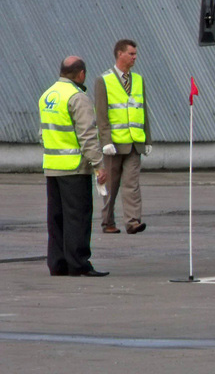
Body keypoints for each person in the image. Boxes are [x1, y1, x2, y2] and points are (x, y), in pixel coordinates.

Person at [39, 56, 109, 277]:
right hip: (74, 169)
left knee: (56, 218)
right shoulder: (77, 97)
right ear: (81, 75)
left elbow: (42, 134)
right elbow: (87, 136)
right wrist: (98, 165)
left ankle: (58, 264)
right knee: (77, 217)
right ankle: (78, 263)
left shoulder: (47, 95)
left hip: (52, 167)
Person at [96, 39, 151, 235]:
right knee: (110, 186)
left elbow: (143, 111)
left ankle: (133, 221)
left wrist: (147, 140)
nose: (135, 57)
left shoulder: (138, 79)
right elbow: (101, 114)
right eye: (131, 54)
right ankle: (108, 222)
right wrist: (106, 141)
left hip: (134, 143)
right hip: (114, 144)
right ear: (120, 54)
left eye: (135, 54)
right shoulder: (104, 80)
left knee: (132, 184)